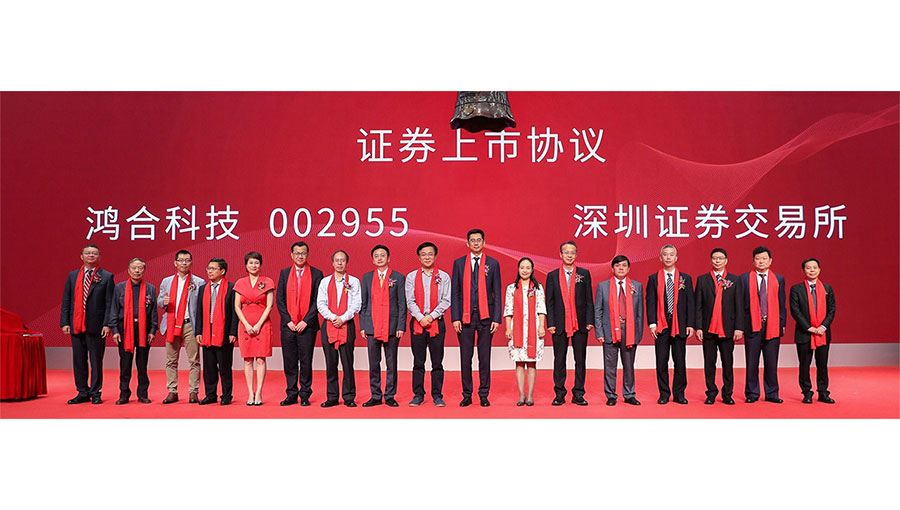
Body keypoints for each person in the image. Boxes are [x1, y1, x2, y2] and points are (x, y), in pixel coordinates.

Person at [451, 228, 502, 407]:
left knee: (484, 357)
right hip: (465, 318)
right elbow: (455, 292)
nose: (475, 243)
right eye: (472, 240)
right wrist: (455, 317)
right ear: (467, 243)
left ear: (484, 242)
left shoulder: (493, 264)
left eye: (478, 240)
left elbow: (497, 292)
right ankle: (467, 394)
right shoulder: (459, 264)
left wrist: (496, 318)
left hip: (486, 318)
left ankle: (483, 394)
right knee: (466, 357)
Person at [60, 244, 115, 404]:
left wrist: (107, 324)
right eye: (88, 253)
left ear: (99, 257)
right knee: (79, 360)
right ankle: (82, 392)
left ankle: (95, 392)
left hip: (97, 326)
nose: (91, 255)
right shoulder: (72, 276)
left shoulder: (106, 276)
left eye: (94, 253)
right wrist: (65, 322)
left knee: (96, 361)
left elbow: (109, 303)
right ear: (81, 256)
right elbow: (66, 300)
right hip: (76, 324)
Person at [544, 240, 594, 406]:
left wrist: (589, 320)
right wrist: (550, 322)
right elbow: (549, 302)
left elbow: (589, 299)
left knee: (580, 359)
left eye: (572, 252)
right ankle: (559, 393)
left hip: (580, 323)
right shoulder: (552, 276)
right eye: (566, 252)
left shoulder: (584, 274)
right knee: (559, 360)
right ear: (560, 255)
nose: (569, 255)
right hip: (559, 324)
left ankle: (578, 393)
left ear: (576, 255)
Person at [275, 242, 323, 406]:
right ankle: (291, 393)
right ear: (292, 255)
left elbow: (317, 301)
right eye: (297, 253)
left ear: (307, 254)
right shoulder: (284, 273)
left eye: (303, 253)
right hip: (288, 326)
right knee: (289, 361)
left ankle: (305, 394)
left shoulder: (316, 274)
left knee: (306, 361)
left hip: (307, 326)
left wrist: (305, 321)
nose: (300, 256)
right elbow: (280, 300)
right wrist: (288, 320)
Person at [694, 248, 744, 405]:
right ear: (711, 260)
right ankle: (711, 393)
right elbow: (698, 306)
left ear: (726, 261)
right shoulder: (703, 280)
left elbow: (739, 305)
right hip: (708, 328)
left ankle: (727, 393)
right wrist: (698, 327)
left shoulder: (734, 280)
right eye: (715, 258)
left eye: (720, 258)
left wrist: (739, 327)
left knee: (727, 363)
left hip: (727, 328)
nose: (717, 261)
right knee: (709, 363)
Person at [646, 244, 695, 405]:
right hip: (661, 324)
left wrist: (690, 324)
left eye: (671, 254)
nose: (668, 257)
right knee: (662, 361)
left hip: (679, 324)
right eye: (665, 254)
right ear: (660, 258)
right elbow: (650, 302)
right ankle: (664, 394)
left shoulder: (685, 279)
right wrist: (652, 324)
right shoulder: (653, 278)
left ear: (676, 258)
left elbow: (690, 302)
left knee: (680, 361)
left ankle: (679, 394)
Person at [360, 245, 406, 407]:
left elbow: (402, 304)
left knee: (391, 363)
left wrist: (401, 326)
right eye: (376, 256)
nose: (379, 258)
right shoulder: (367, 278)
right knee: (374, 363)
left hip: (392, 326)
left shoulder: (398, 277)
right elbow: (364, 303)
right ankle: (375, 395)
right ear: (373, 260)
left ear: (388, 258)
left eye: (382, 255)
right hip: (372, 325)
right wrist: (363, 326)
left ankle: (390, 395)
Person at [593, 255, 644, 406]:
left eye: (624, 265)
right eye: (617, 265)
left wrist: (638, 333)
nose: (621, 268)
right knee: (610, 365)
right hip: (609, 330)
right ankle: (611, 395)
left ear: (628, 268)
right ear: (612, 268)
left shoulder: (636, 286)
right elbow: (598, 311)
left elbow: (640, 312)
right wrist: (599, 332)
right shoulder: (603, 286)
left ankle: (629, 394)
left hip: (629, 331)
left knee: (629, 365)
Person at [405, 242, 451, 407]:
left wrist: (431, 316)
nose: (427, 257)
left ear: (435, 256)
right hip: (417, 323)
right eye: (423, 254)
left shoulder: (444, 276)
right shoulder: (411, 277)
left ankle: (437, 395)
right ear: (419, 257)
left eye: (430, 254)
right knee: (418, 361)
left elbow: (446, 300)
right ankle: (418, 395)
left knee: (437, 362)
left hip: (436, 323)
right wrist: (420, 317)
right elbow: (410, 301)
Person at [107, 258, 158, 405]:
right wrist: (115, 330)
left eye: (140, 268)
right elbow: (114, 309)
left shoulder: (150, 289)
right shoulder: (120, 288)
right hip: (124, 330)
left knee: (142, 365)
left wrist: (152, 330)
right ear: (128, 270)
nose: (137, 271)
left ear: (144, 270)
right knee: (125, 364)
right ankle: (124, 394)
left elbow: (153, 312)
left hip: (144, 330)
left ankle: (143, 394)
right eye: (134, 268)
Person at [158, 249, 205, 404]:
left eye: (187, 260)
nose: (184, 263)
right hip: (171, 323)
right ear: (175, 263)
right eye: (181, 260)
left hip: (190, 324)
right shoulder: (166, 281)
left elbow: (202, 306)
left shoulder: (198, 282)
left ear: (191, 263)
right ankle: (172, 391)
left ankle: (194, 391)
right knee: (171, 360)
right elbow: (159, 301)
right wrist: (163, 302)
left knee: (194, 360)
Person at [740, 246, 787, 404]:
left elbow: (782, 304)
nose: (761, 261)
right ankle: (752, 393)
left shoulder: (778, 279)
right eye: (758, 259)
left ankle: (772, 393)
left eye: (764, 258)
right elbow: (740, 304)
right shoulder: (744, 279)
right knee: (751, 362)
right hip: (752, 325)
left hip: (772, 325)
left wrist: (782, 323)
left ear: (770, 261)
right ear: (753, 261)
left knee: (771, 362)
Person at [316, 250, 362, 408]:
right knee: (331, 363)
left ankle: (349, 396)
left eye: (343, 260)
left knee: (347, 363)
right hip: (329, 325)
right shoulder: (325, 282)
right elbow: (320, 303)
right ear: (332, 263)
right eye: (337, 260)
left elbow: (356, 304)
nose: (340, 263)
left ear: (347, 263)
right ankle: (332, 396)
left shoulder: (354, 281)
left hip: (347, 324)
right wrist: (333, 317)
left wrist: (343, 318)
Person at [789, 258, 836, 404]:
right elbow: (795, 311)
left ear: (819, 269)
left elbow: (832, 310)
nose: (812, 270)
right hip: (804, 333)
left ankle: (823, 392)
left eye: (814, 267)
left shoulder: (827, 289)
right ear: (803, 270)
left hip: (822, 333)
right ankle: (807, 392)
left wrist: (823, 327)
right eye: (808, 268)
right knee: (804, 365)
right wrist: (808, 327)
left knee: (822, 364)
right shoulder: (796, 289)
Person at [233, 251, 275, 405]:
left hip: (262, 324)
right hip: (245, 324)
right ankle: (251, 393)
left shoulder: (267, 281)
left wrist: (258, 324)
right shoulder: (240, 283)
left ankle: (259, 393)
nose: (254, 265)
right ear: (246, 265)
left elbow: (269, 305)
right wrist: (246, 324)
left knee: (261, 359)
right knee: (248, 360)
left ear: (260, 265)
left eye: (256, 263)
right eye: (251, 263)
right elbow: (237, 306)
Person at [195, 258, 238, 405]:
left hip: (224, 332)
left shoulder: (231, 288)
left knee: (224, 367)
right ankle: (210, 394)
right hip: (207, 331)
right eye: (208, 268)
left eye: (213, 269)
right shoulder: (203, 288)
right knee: (209, 367)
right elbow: (199, 312)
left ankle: (226, 395)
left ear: (222, 271)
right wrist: (198, 331)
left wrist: (233, 332)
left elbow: (234, 312)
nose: (209, 271)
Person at [504, 257, 547, 406]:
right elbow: (508, 310)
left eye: (528, 268)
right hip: (517, 329)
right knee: (519, 363)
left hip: (533, 329)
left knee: (532, 363)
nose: (525, 270)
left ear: (532, 270)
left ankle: (530, 395)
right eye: (522, 267)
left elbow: (541, 308)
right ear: (518, 269)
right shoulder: (511, 288)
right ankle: (521, 394)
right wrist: (508, 328)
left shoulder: (537, 287)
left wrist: (541, 326)